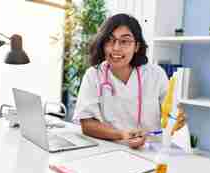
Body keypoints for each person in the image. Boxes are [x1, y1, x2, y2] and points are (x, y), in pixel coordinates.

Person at [73, 13, 185, 149]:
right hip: (110, 149)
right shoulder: (93, 75)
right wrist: (122, 135)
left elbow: (171, 112)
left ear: (137, 46)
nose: (116, 48)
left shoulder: (155, 74)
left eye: (124, 41)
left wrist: (177, 119)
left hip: (152, 150)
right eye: (109, 40)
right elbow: (87, 124)